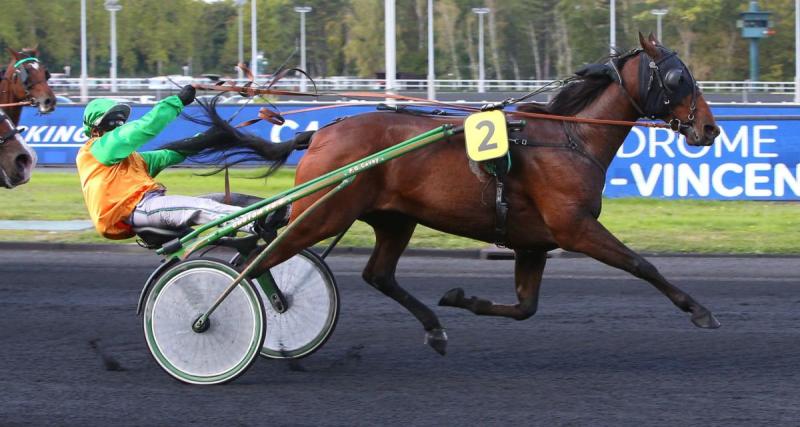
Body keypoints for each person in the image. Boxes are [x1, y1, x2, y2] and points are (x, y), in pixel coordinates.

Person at [76, 85, 252, 240]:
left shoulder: (132, 160)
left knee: (225, 199)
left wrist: (206, 139)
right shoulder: (94, 150)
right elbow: (144, 127)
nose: (119, 126)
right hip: (137, 210)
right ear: (95, 130)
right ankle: (256, 223)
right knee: (203, 207)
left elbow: (170, 154)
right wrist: (177, 102)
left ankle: (273, 215)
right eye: (112, 122)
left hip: (148, 206)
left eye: (121, 122)